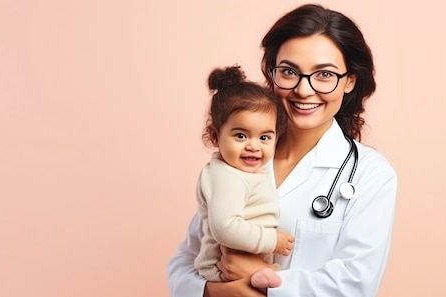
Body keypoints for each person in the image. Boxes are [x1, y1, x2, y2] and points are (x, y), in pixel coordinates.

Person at [167, 3, 398, 297]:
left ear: (350, 80)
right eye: (289, 71)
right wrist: (214, 292)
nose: (304, 90)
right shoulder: (242, 156)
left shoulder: (370, 174)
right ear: (271, 73)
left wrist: (259, 282)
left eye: (324, 74)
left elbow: (354, 285)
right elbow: (184, 261)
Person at [193, 65, 295, 291]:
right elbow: (225, 228)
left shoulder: (243, 172)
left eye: (265, 137)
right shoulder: (225, 176)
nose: (253, 146)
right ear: (215, 136)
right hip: (222, 270)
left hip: (248, 265)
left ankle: (264, 276)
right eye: (240, 135)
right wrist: (272, 241)